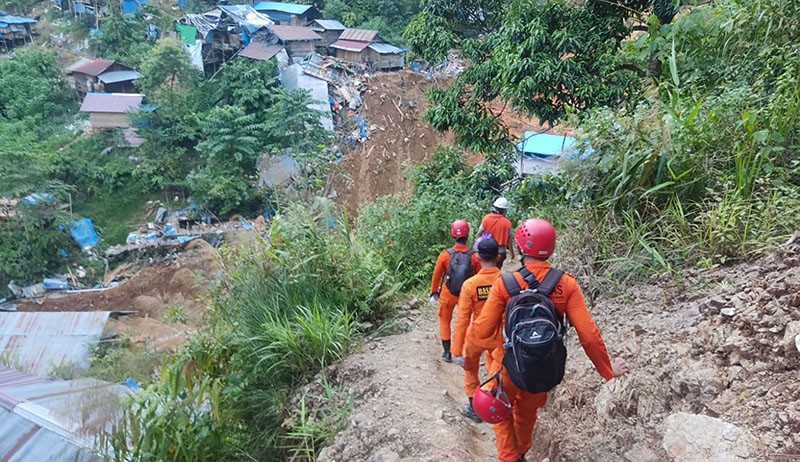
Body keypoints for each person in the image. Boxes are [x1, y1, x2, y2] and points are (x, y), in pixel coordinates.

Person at [468, 218, 630, 462]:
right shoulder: (566, 284)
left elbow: (481, 332)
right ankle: (521, 450)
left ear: (520, 249)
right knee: (527, 411)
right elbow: (589, 335)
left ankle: (510, 457)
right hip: (543, 366)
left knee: (501, 410)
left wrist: (489, 350)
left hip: (507, 364)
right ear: (551, 249)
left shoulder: (505, 284)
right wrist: (608, 371)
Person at [450, 236, 503, 423]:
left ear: (478, 258)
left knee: (470, 370)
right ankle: (490, 402)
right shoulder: (506, 281)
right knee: (496, 370)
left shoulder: (470, 285)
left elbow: (462, 319)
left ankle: (474, 408)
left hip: (476, 336)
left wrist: (456, 350)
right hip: (499, 335)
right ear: (498, 257)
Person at [430, 219, 482, 362]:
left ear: (453, 234)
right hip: (466, 294)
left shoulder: (445, 255)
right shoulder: (474, 256)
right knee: (464, 321)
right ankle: (463, 349)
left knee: (444, 320)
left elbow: (437, 275)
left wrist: (434, 291)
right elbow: (480, 277)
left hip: (448, 293)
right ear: (468, 235)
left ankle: (447, 352)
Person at [477, 197, 515, 267]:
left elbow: (479, 234)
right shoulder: (507, 223)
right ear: (504, 210)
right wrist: (512, 253)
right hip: (500, 251)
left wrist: (477, 247)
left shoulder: (486, 218)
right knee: (497, 270)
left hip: (487, 250)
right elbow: (509, 240)